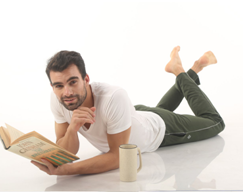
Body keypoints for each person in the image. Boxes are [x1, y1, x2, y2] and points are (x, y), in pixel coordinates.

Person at [31, 46, 225, 175]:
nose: (67, 92)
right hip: (132, 117)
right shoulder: (59, 99)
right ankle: (190, 70)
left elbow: (119, 157)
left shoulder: (114, 97)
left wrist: (66, 171)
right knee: (153, 112)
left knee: (214, 122)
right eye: (58, 85)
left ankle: (181, 71)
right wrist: (72, 130)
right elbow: (65, 151)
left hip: (160, 130)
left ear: (86, 79)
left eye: (73, 82)